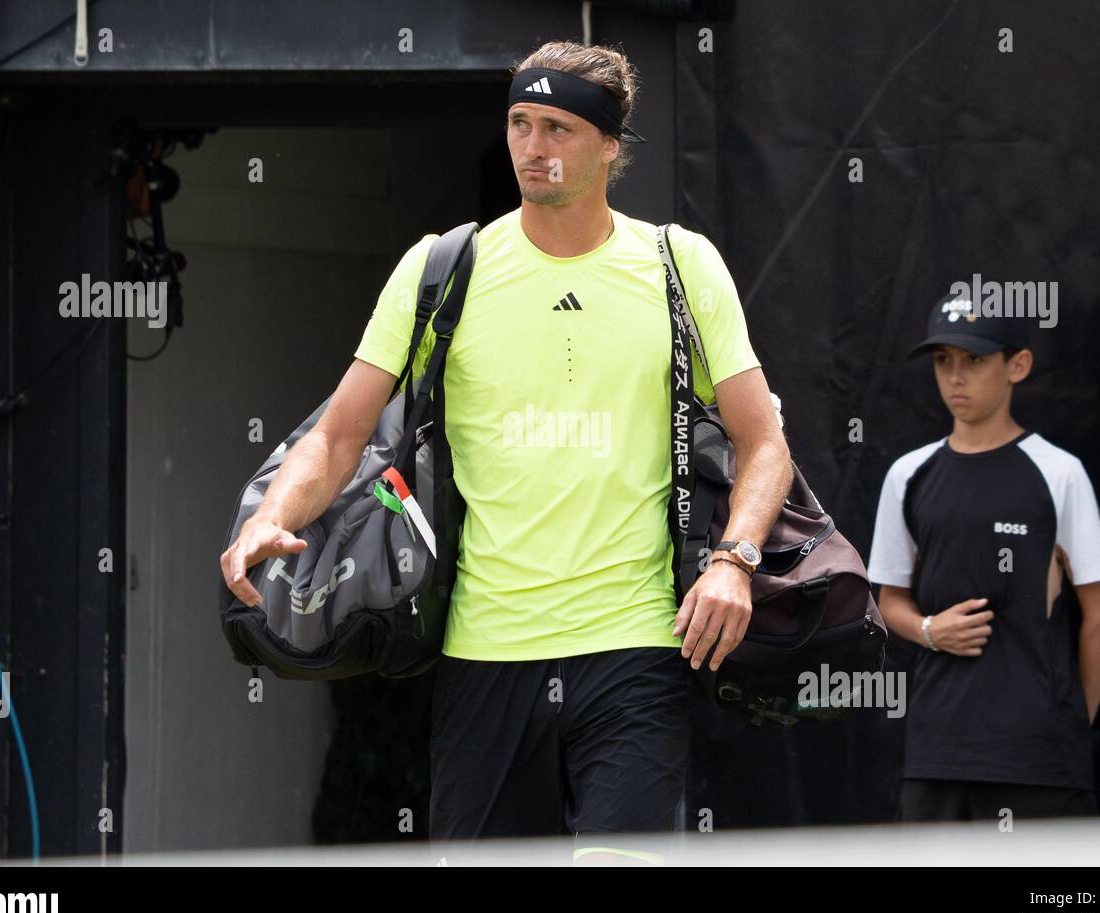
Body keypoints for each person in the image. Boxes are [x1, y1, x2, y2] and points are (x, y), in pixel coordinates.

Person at [219, 40, 791, 863]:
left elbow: (763, 440)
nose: (532, 147)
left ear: (609, 147)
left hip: (634, 646)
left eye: (558, 127)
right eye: (520, 123)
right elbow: (340, 436)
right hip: (482, 655)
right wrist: (270, 516)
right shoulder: (442, 268)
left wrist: (734, 560)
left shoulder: (679, 265)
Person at [866, 289, 1100, 823]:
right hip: (937, 755)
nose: (956, 378)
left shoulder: (1058, 472)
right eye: (944, 362)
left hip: (1039, 761)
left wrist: (1067, 723)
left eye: (975, 361)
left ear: (1018, 365)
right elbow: (888, 600)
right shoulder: (908, 474)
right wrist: (931, 629)